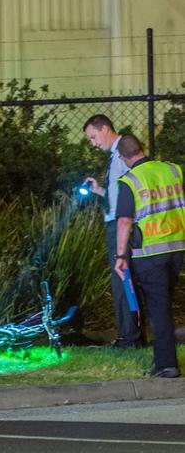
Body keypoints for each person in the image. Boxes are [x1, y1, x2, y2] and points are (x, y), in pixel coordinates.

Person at [114, 134, 185, 378]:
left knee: (158, 308)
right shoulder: (173, 170)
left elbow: (124, 221)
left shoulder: (129, 180)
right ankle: (167, 360)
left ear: (123, 158)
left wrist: (121, 255)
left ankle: (166, 364)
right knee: (165, 304)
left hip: (149, 253)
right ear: (141, 149)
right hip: (176, 248)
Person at [83, 114, 143, 349]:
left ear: (105, 128)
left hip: (121, 225)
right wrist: (100, 191)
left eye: (93, 137)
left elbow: (129, 196)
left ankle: (129, 338)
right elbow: (119, 193)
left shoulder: (122, 154)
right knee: (125, 280)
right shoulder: (117, 156)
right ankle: (131, 335)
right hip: (119, 221)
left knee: (123, 280)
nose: (93, 143)